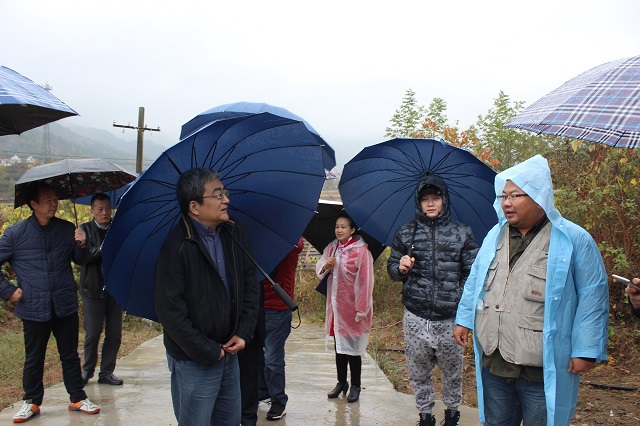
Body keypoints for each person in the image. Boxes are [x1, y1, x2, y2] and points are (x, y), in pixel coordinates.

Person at [453, 155, 609, 426]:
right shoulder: (495, 235)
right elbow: (476, 280)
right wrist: (464, 320)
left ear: (539, 197)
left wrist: (586, 349)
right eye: (503, 196)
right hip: (496, 360)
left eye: (515, 195)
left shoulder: (573, 239)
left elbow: (592, 296)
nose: (507, 203)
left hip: (541, 366)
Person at [154, 167, 259, 426]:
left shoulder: (234, 232)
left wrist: (243, 332)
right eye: (217, 194)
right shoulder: (176, 246)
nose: (226, 200)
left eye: (225, 192)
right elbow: (170, 312)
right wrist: (209, 351)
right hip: (194, 359)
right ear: (194, 207)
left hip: (230, 352)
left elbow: (250, 285)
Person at [0, 182, 100, 423]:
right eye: (48, 199)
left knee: (70, 355)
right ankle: (32, 401)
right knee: (34, 357)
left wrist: (81, 243)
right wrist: (8, 291)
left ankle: (77, 397)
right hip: (34, 306)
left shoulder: (66, 229)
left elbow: (81, 260)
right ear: (33, 204)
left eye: (55, 199)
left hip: (64, 303)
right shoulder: (15, 234)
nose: (54, 203)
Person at [387, 175, 478, 426]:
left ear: (444, 200)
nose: (430, 203)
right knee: (418, 370)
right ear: (418, 203)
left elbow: (472, 273)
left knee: (452, 371)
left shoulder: (462, 232)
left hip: (450, 318)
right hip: (415, 315)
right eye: (425, 199)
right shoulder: (407, 232)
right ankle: (425, 415)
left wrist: (457, 297)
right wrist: (401, 268)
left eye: (435, 198)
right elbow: (392, 268)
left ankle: (452, 413)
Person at [316, 213, 374, 403]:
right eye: (337, 227)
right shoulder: (332, 248)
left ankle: (356, 385)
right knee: (339, 346)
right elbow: (320, 270)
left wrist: (361, 309)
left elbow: (366, 282)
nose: (339, 230)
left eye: (343, 227)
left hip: (354, 309)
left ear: (352, 229)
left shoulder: (361, 251)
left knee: (353, 348)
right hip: (336, 308)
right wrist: (326, 265)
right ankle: (342, 382)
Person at [78, 193, 124, 386]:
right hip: (92, 289)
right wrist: (102, 248)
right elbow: (82, 258)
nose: (105, 212)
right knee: (93, 333)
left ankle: (106, 372)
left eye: (107, 208)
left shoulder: (117, 228)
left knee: (114, 334)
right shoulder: (83, 230)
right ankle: (87, 370)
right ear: (92, 211)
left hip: (114, 289)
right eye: (100, 209)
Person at [257, 237, 304, 421]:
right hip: (255, 307)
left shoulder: (288, 237)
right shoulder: (257, 238)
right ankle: (262, 393)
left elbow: (297, 246)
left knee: (273, 360)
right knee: (257, 357)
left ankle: (278, 400)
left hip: (277, 309)